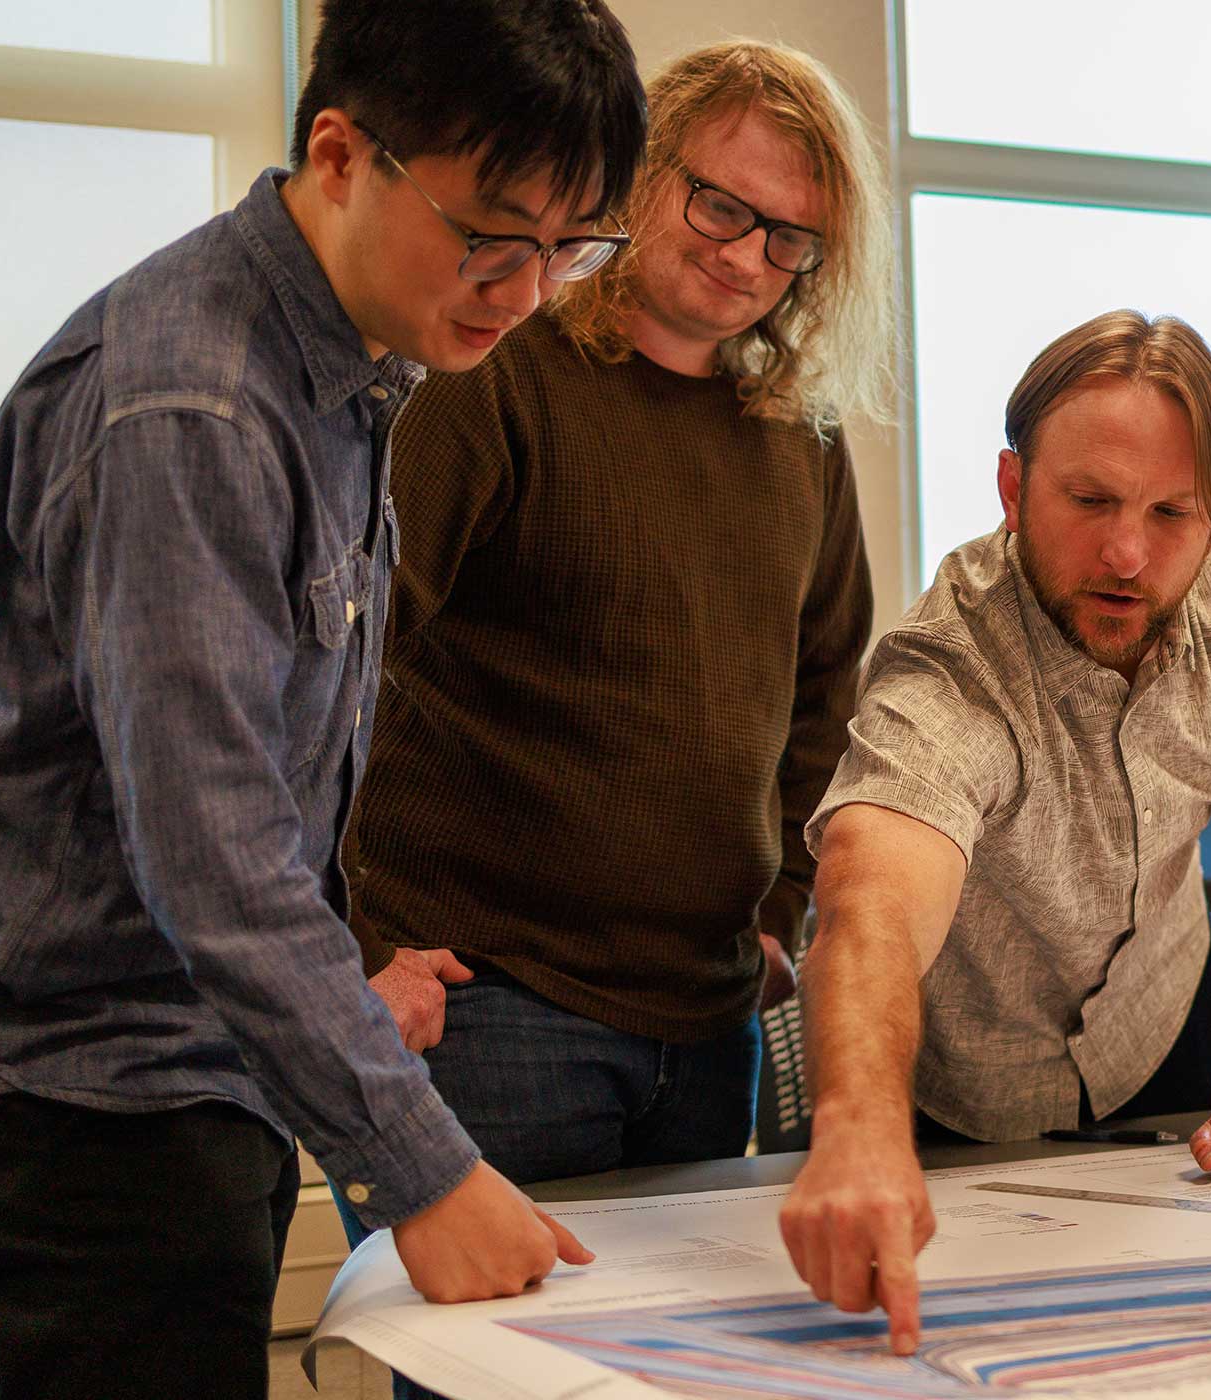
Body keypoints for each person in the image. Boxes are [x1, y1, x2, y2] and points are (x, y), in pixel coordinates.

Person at [0, 3, 647, 1395]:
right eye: (496, 236)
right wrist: (426, 1175)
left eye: (573, 247)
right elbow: (210, 849)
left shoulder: (351, 361)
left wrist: (337, 991)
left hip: (165, 1056)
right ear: (339, 153)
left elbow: (251, 777)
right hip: (47, 1083)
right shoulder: (192, 402)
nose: (530, 290)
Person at [338, 38, 893, 1249]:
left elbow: (826, 688)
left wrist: (783, 908)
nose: (747, 254)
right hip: (490, 1015)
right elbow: (334, 662)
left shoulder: (803, 433)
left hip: (710, 1022)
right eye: (721, 203)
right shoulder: (495, 369)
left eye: (788, 236)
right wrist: (355, 940)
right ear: (640, 170)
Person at [776, 310, 1211, 1354]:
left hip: (1162, 1031)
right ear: (1012, 490)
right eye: (1087, 501)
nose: (1127, 553)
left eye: (1172, 511)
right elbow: (870, 894)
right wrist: (858, 1128)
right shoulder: (951, 659)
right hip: (957, 1083)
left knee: (1194, 1349)